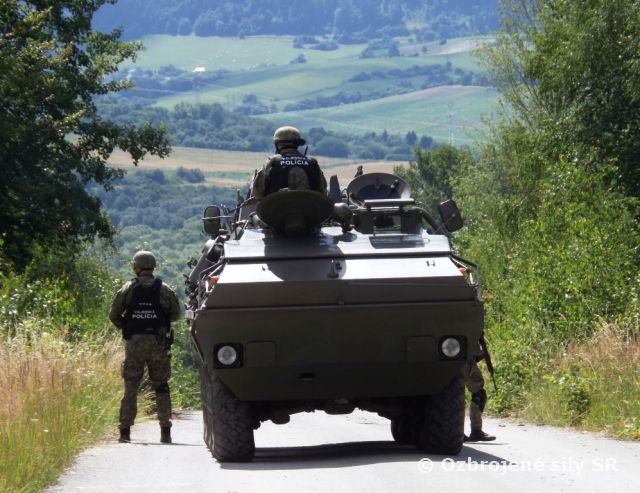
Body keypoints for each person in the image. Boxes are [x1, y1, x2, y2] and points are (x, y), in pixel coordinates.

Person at [109, 250, 181, 444]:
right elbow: (176, 315)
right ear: (153, 267)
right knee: (161, 386)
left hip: (134, 344)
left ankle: (125, 432)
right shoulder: (164, 289)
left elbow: (114, 315)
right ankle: (165, 431)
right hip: (158, 344)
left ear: (137, 268)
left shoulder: (128, 288)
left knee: (131, 386)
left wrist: (127, 327)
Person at [252, 126, 327, 199]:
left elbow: (258, 192)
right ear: (297, 144)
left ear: (278, 144)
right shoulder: (312, 162)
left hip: (277, 206)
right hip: (311, 206)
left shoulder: (272, 162)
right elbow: (323, 191)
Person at [462, 340, 496, 442]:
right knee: (454, 395)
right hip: (456, 355)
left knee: (479, 394)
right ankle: (456, 431)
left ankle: (476, 431)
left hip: (468, 355)